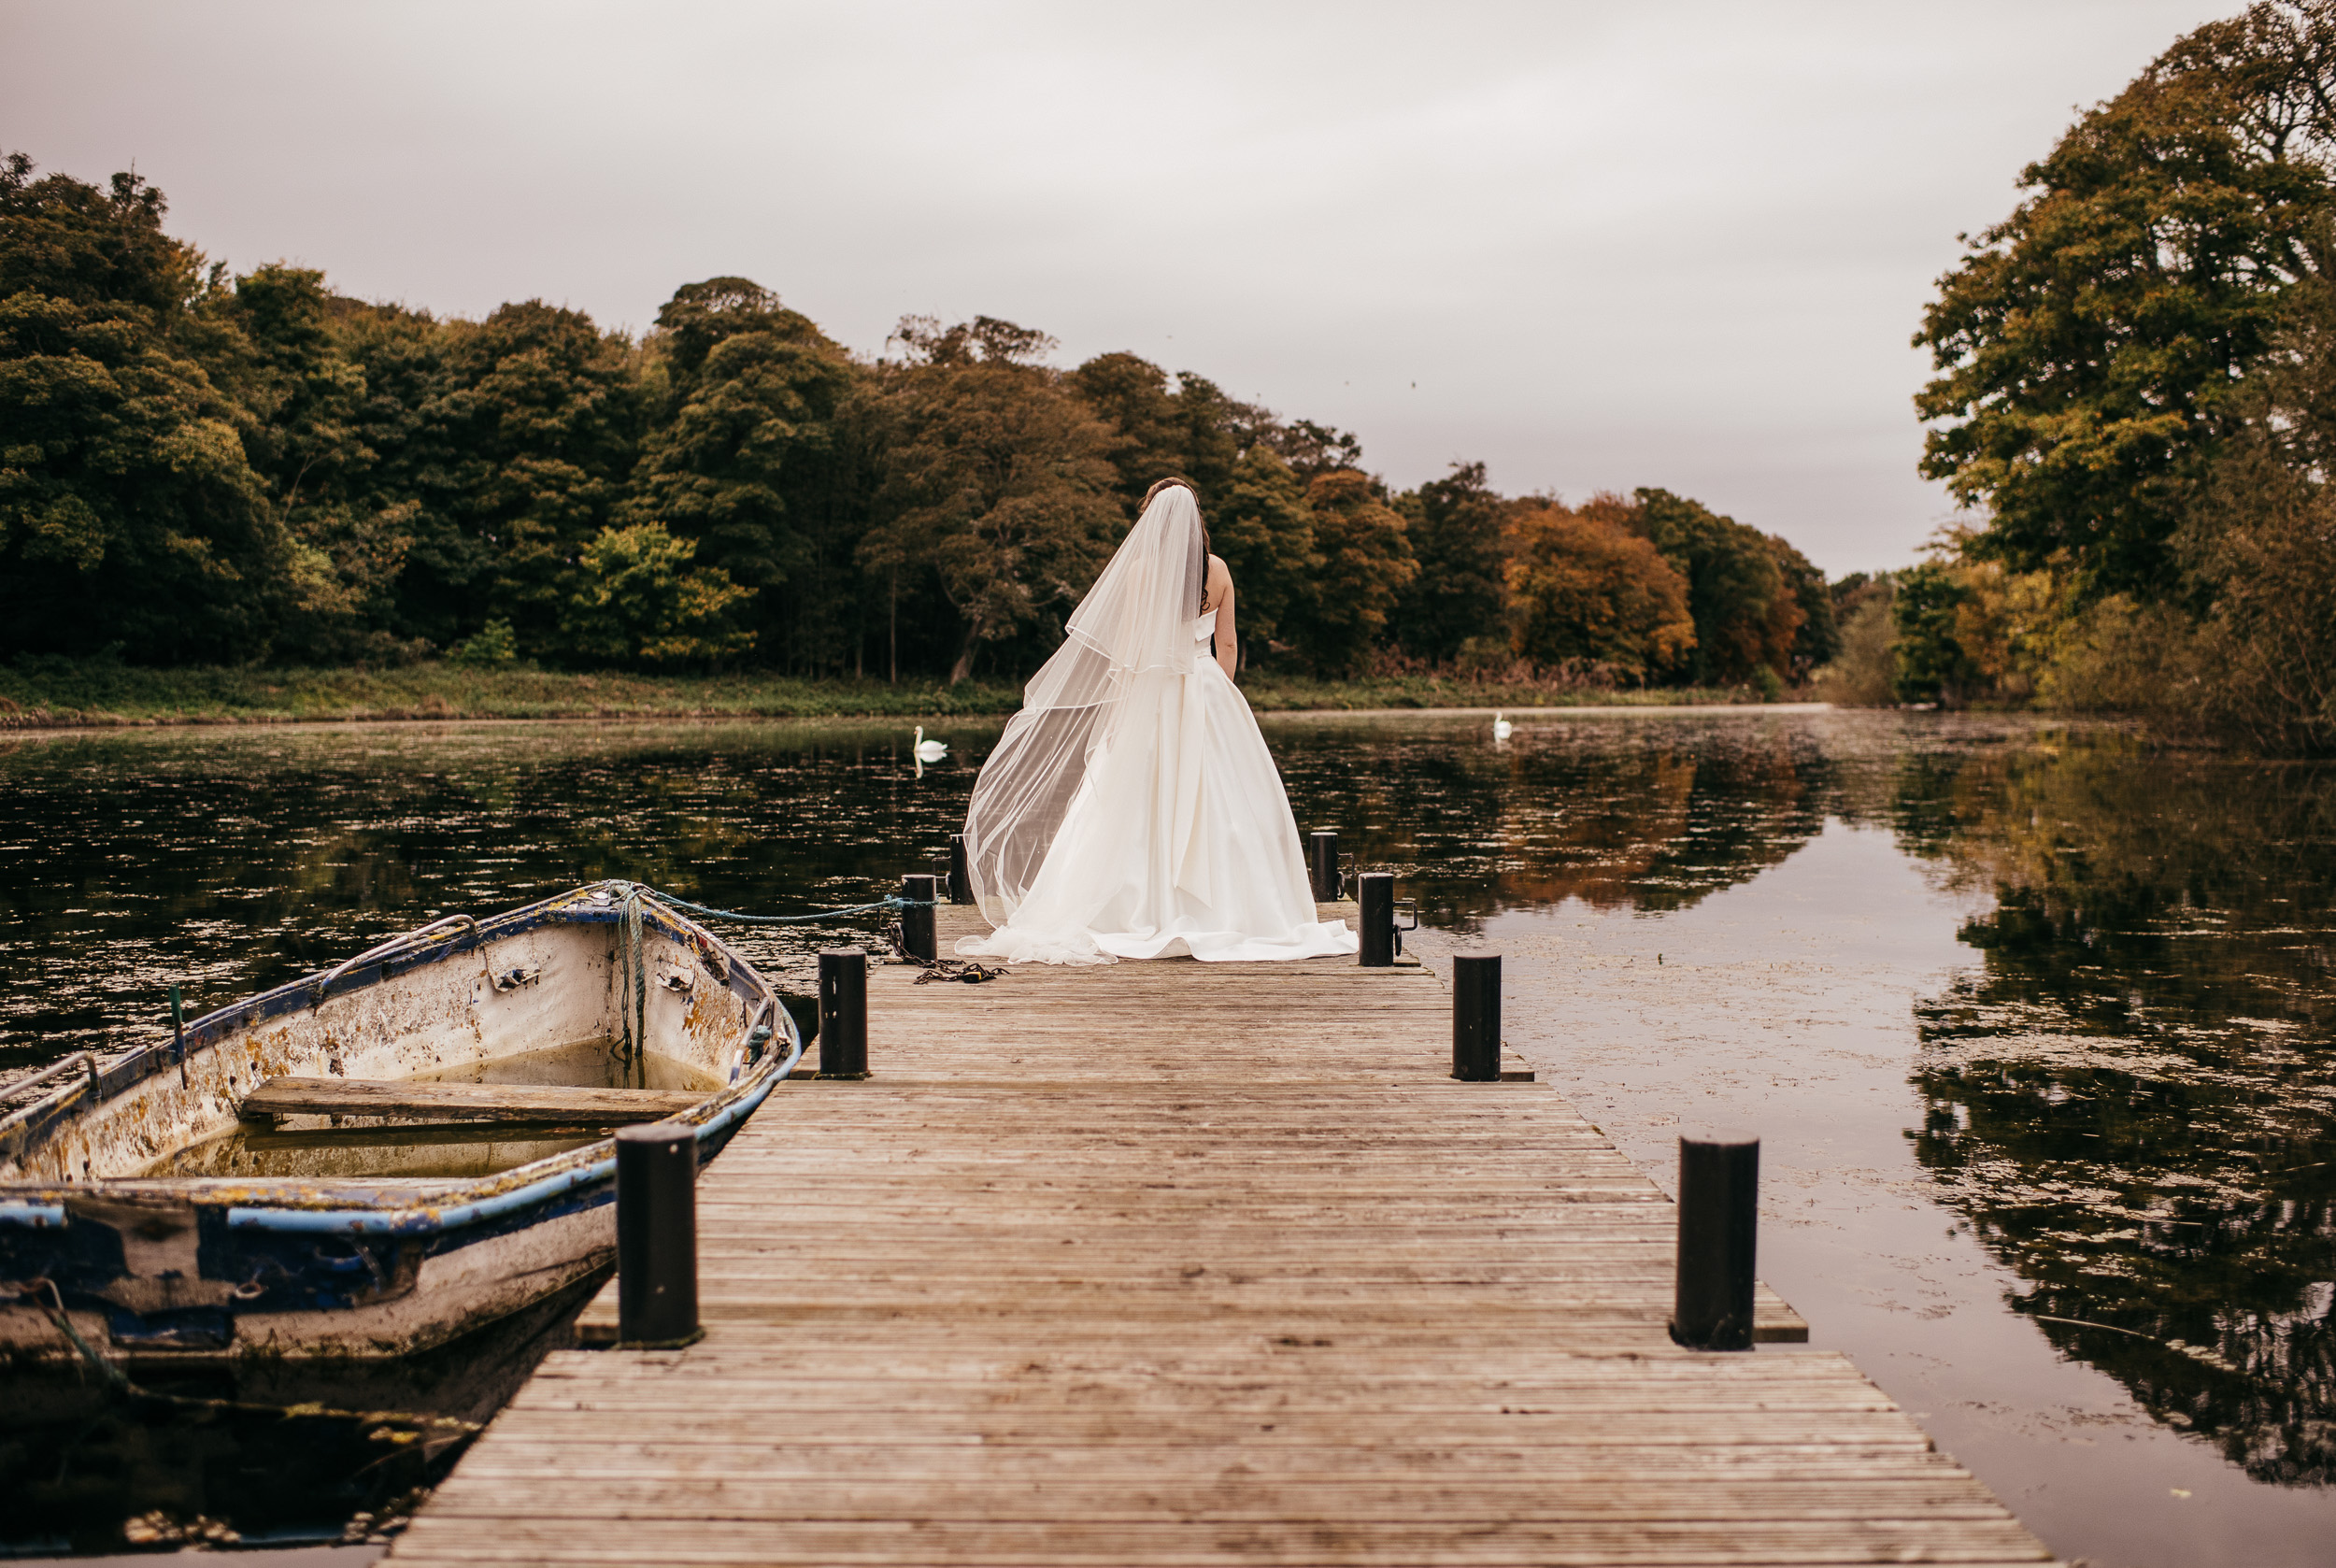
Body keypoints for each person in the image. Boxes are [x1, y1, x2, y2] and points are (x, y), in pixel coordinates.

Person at [955, 478, 1358, 964]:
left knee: (1134, 796)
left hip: (1155, 691)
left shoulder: (1142, 570)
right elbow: (1226, 646)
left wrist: (1129, 704)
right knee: (1225, 801)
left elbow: (1128, 651)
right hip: (1207, 687)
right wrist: (1218, 695)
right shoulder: (1220, 571)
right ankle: (1238, 911)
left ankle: (1130, 908)